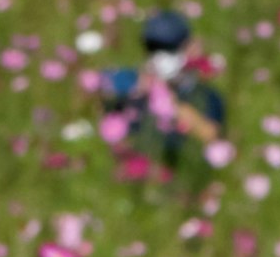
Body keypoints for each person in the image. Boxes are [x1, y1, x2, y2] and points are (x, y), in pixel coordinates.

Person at [94, 9, 225, 168]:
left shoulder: (204, 97)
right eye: (155, 48)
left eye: (171, 48)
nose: (162, 56)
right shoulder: (129, 82)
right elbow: (92, 94)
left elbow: (211, 136)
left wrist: (171, 105)